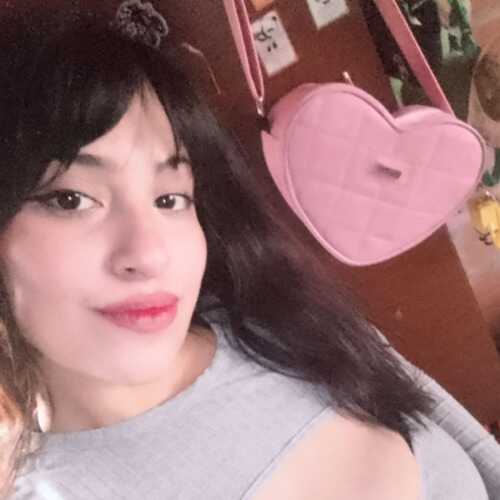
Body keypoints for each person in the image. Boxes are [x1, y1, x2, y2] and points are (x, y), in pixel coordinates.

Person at [0, 9, 498, 500]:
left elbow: (477, 452)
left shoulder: (283, 323)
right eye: (71, 199)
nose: (149, 254)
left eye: (170, 199)